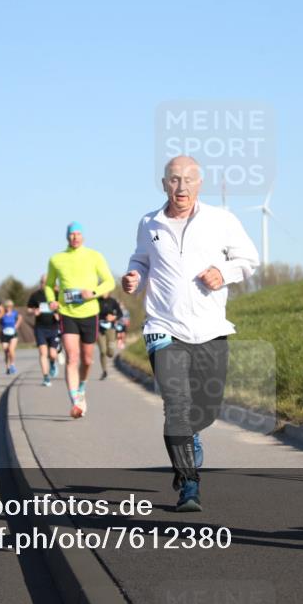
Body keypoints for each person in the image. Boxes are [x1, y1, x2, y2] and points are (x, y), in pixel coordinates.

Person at [122, 156, 259, 512]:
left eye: (187, 180)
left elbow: (249, 260)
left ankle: (190, 436)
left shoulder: (221, 220)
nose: (180, 187)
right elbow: (141, 259)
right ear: (163, 184)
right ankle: (189, 483)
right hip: (163, 327)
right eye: (173, 179)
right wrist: (135, 276)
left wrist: (223, 273)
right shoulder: (149, 222)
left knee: (206, 409)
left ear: (200, 184)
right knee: (176, 405)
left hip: (210, 328)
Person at [45, 223, 115, 417]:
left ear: (83, 236)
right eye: (71, 234)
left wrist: (93, 292)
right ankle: (75, 401)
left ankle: (81, 388)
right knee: (72, 357)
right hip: (67, 313)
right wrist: (51, 300)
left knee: (87, 359)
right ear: (67, 237)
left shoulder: (94, 256)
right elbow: (49, 285)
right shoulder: (56, 259)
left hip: (90, 313)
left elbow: (109, 281)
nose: (75, 237)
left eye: (78, 234)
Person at [27, 274, 60, 387]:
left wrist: (59, 315)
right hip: (40, 328)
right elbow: (28, 309)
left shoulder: (57, 294)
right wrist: (34, 311)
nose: (43, 284)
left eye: (46, 282)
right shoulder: (35, 295)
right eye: (42, 282)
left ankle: (52, 363)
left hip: (54, 327)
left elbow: (64, 308)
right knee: (43, 353)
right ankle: (46, 378)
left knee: (53, 354)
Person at [96, 294, 123, 380]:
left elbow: (120, 314)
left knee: (110, 353)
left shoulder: (112, 301)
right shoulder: (96, 301)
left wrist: (113, 317)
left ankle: (110, 352)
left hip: (110, 329)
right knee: (103, 351)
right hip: (99, 329)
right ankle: (104, 371)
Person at [0, 299, 22, 374]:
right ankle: (7, 367)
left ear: (12, 307)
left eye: (10, 306)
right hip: (4, 334)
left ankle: (12, 364)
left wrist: (17, 325)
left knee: (11, 349)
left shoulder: (14, 313)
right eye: (7, 306)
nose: (8, 308)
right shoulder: (2, 314)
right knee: (6, 351)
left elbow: (20, 317)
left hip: (13, 334)